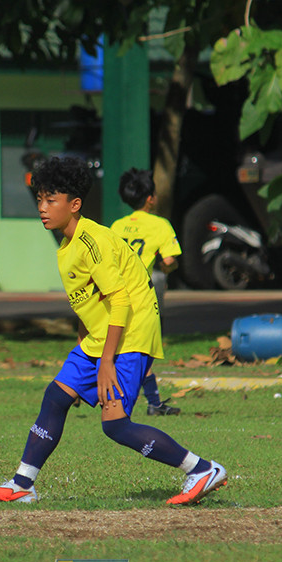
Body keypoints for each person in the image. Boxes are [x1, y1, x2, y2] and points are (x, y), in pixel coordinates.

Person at [0, 156, 226, 505]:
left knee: (115, 425)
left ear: (74, 205)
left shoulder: (93, 241)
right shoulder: (67, 246)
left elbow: (120, 300)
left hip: (131, 333)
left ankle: (201, 469)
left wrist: (105, 362)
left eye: (51, 200)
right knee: (56, 396)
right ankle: (21, 485)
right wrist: (83, 349)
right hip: (101, 336)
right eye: (40, 199)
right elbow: (87, 303)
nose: (42, 208)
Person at [110, 168, 183, 416]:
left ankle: (154, 403)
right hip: (141, 296)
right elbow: (169, 261)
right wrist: (168, 267)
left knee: (124, 348)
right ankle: (135, 403)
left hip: (116, 294)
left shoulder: (117, 226)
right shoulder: (160, 225)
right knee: (143, 351)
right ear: (150, 199)